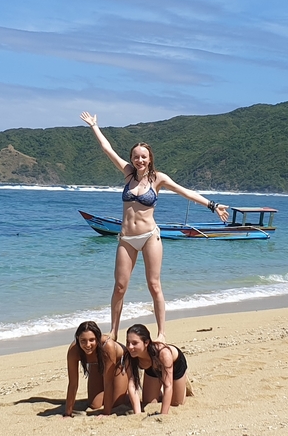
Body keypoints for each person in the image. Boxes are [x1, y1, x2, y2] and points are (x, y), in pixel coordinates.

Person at [80, 111, 227, 342]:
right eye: (136, 156)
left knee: (154, 285)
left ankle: (161, 333)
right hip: (126, 238)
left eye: (143, 157)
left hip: (150, 236)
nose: (139, 160)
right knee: (119, 287)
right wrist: (94, 126)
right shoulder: (128, 174)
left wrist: (212, 205)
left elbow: (184, 191)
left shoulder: (158, 178)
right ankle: (113, 331)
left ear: (150, 159)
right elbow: (107, 149)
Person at [122, 323, 188, 415]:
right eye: (128, 342)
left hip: (174, 365)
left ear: (146, 342)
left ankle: (183, 384)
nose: (130, 347)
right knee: (148, 402)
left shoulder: (163, 353)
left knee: (176, 403)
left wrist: (163, 414)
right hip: (152, 368)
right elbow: (132, 384)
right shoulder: (129, 356)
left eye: (134, 343)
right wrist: (137, 413)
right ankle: (159, 388)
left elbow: (168, 386)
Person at [63, 320, 125, 417]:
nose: (88, 345)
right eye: (83, 340)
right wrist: (67, 413)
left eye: (92, 340)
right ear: (77, 339)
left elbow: (108, 383)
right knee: (94, 405)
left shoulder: (107, 346)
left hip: (119, 363)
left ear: (98, 338)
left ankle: (126, 387)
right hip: (97, 364)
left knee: (116, 404)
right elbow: (73, 384)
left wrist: (106, 413)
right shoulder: (74, 351)